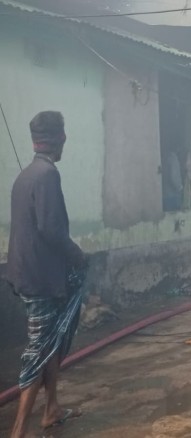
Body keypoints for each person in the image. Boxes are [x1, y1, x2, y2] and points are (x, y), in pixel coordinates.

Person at [6, 111, 87, 438]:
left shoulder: (26, 175)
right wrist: (77, 255)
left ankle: (51, 409)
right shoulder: (47, 176)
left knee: (50, 342)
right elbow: (51, 230)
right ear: (61, 139)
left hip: (28, 273)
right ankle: (18, 430)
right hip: (39, 279)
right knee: (39, 348)